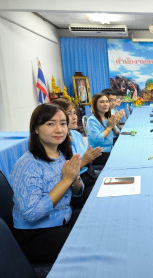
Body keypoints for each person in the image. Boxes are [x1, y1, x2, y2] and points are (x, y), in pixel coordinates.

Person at [10, 103, 84, 263]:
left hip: (62, 217)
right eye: (50, 124)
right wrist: (66, 180)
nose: (59, 129)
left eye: (63, 123)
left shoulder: (61, 154)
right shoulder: (29, 164)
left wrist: (75, 178)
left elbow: (78, 191)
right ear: (36, 128)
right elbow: (32, 213)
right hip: (36, 234)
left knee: (98, 221)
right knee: (87, 242)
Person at [51, 98, 102, 191]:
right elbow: (62, 176)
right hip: (75, 185)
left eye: (74, 113)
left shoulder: (76, 135)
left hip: (89, 173)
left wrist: (90, 157)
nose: (74, 117)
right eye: (68, 114)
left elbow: (86, 159)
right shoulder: (57, 142)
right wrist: (85, 161)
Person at [86, 93, 121, 166]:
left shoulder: (107, 117)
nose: (105, 104)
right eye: (101, 102)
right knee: (121, 160)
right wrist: (109, 127)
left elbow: (118, 133)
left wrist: (113, 125)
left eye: (107, 101)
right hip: (99, 154)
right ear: (95, 105)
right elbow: (98, 139)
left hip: (110, 149)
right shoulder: (92, 120)